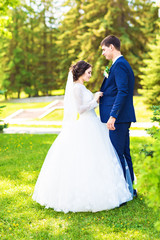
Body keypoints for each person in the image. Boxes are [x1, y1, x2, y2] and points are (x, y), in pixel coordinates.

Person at [32, 60, 132, 213]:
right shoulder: (76, 89)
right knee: (84, 158)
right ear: (81, 72)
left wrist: (96, 99)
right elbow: (80, 109)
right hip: (85, 124)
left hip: (93, 123)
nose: (91, 75)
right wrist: (95, 99)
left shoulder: (82, 87)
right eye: (89, 72)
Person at [99, 35, 137, 197]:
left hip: (119, 118)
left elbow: (123, 91)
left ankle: (123, 192)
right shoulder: (118, 65)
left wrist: (113, 115)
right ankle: (129, 188)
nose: (103, 53)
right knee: (123, 152)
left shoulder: (120, 65)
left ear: (112, 47)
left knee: (117, 153)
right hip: (121, 117)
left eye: (104, 49)